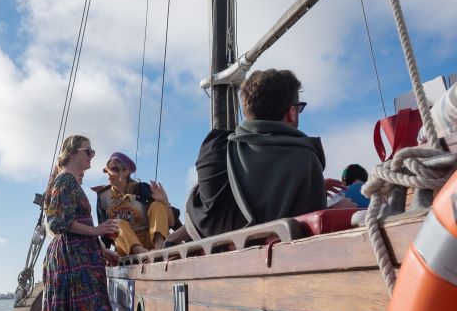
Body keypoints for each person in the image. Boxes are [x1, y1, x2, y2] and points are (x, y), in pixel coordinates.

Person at [184, 69, 353, 239]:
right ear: (292, 112)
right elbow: (304, 231)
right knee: (346, 204)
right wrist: (331, 203)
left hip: (207, 243)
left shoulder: (215, 147)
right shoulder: (305, 159)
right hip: (265, 256)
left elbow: (222, 205)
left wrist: (302, 184)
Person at [39, 135, 117, 311]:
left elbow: (71, 223)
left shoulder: (65, 181)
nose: (92, 156)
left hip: (70, 255)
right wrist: (96, 231)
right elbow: (59, 222)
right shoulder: (66, 181)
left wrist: (100, 248)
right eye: (88, 151)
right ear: (72, 153)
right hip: (72, 259)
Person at [91, 152, 177, 254]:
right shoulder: (103, 196)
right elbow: (104, 231)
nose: (108, 173)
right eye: (106, 170)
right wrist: (105, 253)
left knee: (157, 204)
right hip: (126, 247)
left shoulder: (141, 189)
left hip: (150, 240)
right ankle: (140, 252)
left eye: (113, 169)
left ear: (126, 171)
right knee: (115, 223)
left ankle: (159, 247)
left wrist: (165, 202)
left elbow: (172, 223)